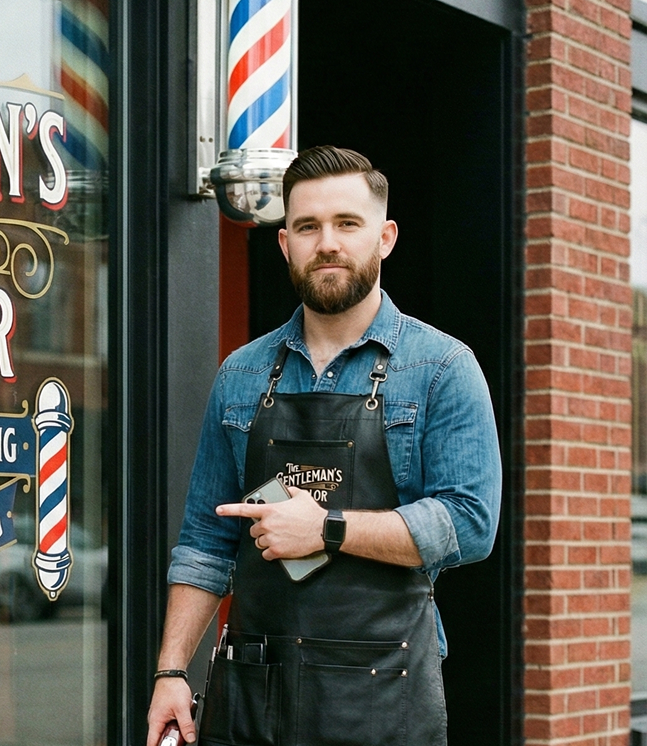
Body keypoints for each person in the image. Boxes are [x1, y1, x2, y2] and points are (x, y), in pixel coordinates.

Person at [146, 146, 502, 746]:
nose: (327, 243)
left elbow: (470, 523)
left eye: (347, 224)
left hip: (384, 693)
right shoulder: (241, 375)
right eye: (308, 227)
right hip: (255, 695)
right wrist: (172, 671)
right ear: (285, 244)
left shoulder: (441, 366)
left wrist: (328, 528)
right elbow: (207, 543)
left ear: (385, 238)